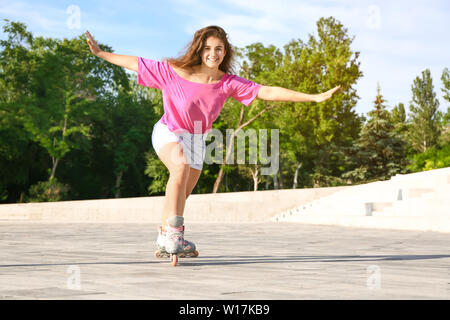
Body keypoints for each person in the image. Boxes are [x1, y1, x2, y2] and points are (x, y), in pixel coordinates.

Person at [85, 26, 340, 259]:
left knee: (182, 191)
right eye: (207, 48)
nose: (213, 53)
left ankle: (166, 235)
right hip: (168, 131)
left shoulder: (228, 83)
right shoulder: (174, 71)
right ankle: (175, 234)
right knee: (180, 166)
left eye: (218, 49)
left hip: (197, 138)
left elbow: (267, 91)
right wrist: (100, 53)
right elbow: (135, 64)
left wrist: (313, 98)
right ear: (199, 49)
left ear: (225, 52)